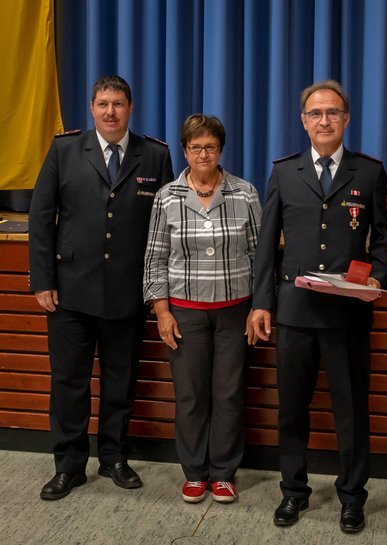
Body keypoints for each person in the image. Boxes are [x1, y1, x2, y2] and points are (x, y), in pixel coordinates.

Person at [249, 80, 387, 533]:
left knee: (351, 410)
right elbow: (266, 247)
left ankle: (353, 497)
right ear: (303, 121)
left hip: (347, 315)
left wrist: (376, 275)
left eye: (333, 113)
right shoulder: (284, 172)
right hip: (294, 313)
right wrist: (261, 303)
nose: (325, 121)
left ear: (347, 119)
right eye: (316, 114)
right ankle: (293, 492)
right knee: (292, 408)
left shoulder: (368, 172)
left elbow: (385, 241)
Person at [29, 75, 174, 500]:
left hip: (129, 291)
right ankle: (69, 466)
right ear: (91, 108)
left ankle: (113, 458)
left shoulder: (155, 155)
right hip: (70, 291)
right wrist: (42, 280)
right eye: (103, 104)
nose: (111, 111)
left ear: (131, 109)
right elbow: (41, 217)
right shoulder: (65, 149)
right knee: (69, 383)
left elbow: (163, 228)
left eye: (118, 104)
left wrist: (156, 287)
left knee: (120, 380)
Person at [143, 114, 261, 504]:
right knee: (191, 396)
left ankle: (224, 473)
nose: (203, 154)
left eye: (210, 146)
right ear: (185, 151)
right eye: (196, 148)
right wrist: (162, 311)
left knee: (228, 394)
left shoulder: (245, 193)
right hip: (184, 314)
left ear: (221, 150)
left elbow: (260, 256)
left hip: (235, 313)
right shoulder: (166, 196)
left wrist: (260, 306)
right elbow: (155, 258)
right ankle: (195, 473)